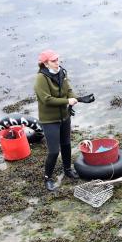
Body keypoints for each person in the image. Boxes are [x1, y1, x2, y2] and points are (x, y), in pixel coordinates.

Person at [34, 49, 80, 191]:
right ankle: (48, 178)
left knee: (66, 144)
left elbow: (69, 89)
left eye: (57, 59)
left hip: (64, 117)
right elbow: (47, 99)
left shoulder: (61, 72)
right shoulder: (41, 79)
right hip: (49, 120)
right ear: (45, 63)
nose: (57, 62)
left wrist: (73, 98)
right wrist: (67, 100)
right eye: (53, 61)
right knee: (54, 151)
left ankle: (67, 169)